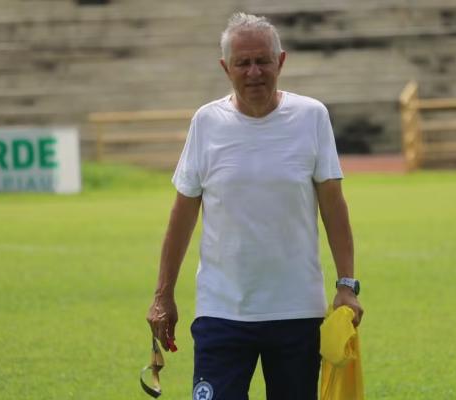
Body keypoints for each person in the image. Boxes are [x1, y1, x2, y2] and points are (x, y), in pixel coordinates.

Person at [147, 12, 363, 400]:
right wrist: (163, 295)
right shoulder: (206, 122)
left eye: (263, 60)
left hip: (297, 312)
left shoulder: (312, 117)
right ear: (225, 67)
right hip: (222, 311)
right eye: (242, 63)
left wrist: (346, 285)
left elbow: (334, 206)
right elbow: (182, 215)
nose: (254, 72)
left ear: (281, 61)